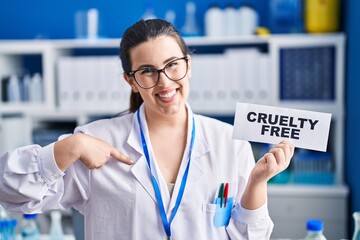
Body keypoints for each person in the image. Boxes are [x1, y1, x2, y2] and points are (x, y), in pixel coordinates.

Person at [0, 19, 294, 239]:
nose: (164, 82)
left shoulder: (230, 142)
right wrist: (70, 148)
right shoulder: (97, 141)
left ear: (188, 66)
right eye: (148, 71)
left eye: (172, 65)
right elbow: (10, 193)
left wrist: (257, 182)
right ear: (131, 80)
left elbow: (249, 236)